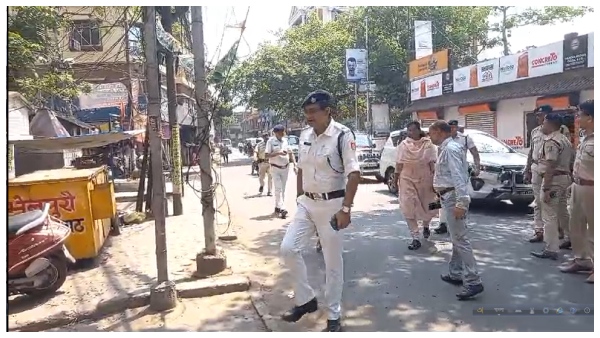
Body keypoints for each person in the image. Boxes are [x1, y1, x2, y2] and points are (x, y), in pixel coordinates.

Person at [279, 90, 360, 332]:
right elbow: (301, 168)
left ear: (328, 111)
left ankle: (334, 316)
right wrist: (298, 195)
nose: (309, 117)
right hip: (307, 203)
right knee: (288, 249)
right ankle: (306, 300)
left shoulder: (342, 135)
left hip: (332, 205)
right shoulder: (304, 135)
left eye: (313, 112)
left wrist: (346, 208)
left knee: (332, 263)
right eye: (306, 113)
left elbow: (354, 173)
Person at [428, 120, 484, 300]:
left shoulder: (450, 149)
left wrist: (461, 202)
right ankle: (456, 272)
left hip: (454, 198)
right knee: (456, 238)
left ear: (438, 131)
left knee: (461, 239)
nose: (430, 137)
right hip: (449, 196)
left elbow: (458, 177)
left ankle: (473, 281)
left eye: (431, 133)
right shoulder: (448, 148)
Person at [530, 113, 574, 261]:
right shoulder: (565, 139)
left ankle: (551, 248)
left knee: (549, 214)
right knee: (562, 212)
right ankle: (571, 238)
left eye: (544, 122)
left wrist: (546, 188)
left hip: (553, 180)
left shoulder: (551, 141)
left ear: (550, 123)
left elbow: (550, 165)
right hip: (564, 179)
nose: (542, 125)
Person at [559, 100, 594, 283]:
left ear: (590, 117)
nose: (578, 118)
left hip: (593, 188)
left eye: (580, 115)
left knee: (594, 229)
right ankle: (582, 260)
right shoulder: (584, 137)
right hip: (578, 186)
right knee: (576, 226)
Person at [395, 121, 438, 250]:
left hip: (425, 179)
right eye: (409, 131)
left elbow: (432, 164)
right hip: (407, 179)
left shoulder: (428, 144)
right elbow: (399, 164)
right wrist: (395, 179)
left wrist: (436, 180)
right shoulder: (403, 145)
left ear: (419, 130)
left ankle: (426, 225)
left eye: (413, 130)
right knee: (407, 207)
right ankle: (415, 237)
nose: (411, 133)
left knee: (430, 205)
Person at [435, 120, 481, 235]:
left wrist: (477, 167)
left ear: (457, 128)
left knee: (458, 201)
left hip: (458, 176)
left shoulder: (464, 139)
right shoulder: (444, 143)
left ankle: (460, 224)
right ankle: (443, 224)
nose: (452, 130)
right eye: (450, 128)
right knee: (443, 203)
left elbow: (475, 153)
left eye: (454, 127)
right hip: (446, 179)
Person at [265, 125, 298, 218]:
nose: (282, 133)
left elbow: (291, 153)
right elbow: (267, 155)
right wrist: (278, 152)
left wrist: (295, 165)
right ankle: (283, 208)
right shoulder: (270, 141)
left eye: (283, 132)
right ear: (275, 133)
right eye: (280, 132)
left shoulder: (285, 141)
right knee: (278, 188)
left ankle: (277, 206)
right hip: (275, 167)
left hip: (285, 167)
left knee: (283, 189)